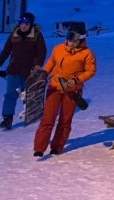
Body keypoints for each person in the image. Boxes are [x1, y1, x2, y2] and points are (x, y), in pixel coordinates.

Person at [33, 28, 97, 156]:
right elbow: (51, 62)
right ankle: (39, 148)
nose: (71, 43)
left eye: (75, 42)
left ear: (81, 42)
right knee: (48, 117)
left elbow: (91, 71)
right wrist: (44, 73)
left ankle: (57, 146)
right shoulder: (58, 48)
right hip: (55, 86)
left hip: (72, 90)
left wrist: (77, 80)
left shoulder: (87, 53)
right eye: (70, 40)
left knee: (65, 119)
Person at [0, 12, 46, 130]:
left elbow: (42, 52)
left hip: (29, 71)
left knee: (28, 95)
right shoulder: (14, 35)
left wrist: (37, 65)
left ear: (31, 24)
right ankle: (7, 119)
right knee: (10, 94)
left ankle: (31, 116)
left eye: (26, 23)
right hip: (13, 70)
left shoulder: (36, 35)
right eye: (21, 22)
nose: (23, 25)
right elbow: (5, 52)